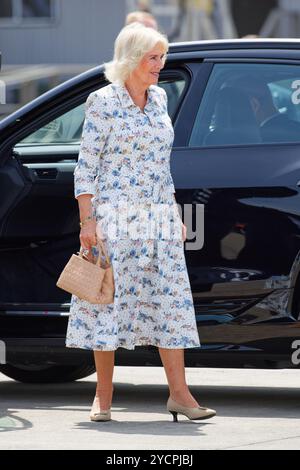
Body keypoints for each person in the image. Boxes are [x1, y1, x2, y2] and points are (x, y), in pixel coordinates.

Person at [65, 23, 216, 423]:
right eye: (153, 57)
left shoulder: (160, 97)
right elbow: (87, 167)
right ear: (131, 58)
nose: (160, 64)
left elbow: (160, 166)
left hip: (158, 219)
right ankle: (103, 395)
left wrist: (173, 213)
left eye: (162, 56)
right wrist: (87, 222)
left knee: (170, 305)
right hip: (115, 219)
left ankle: (180, 395)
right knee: (108, 304)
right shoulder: (102, 101)